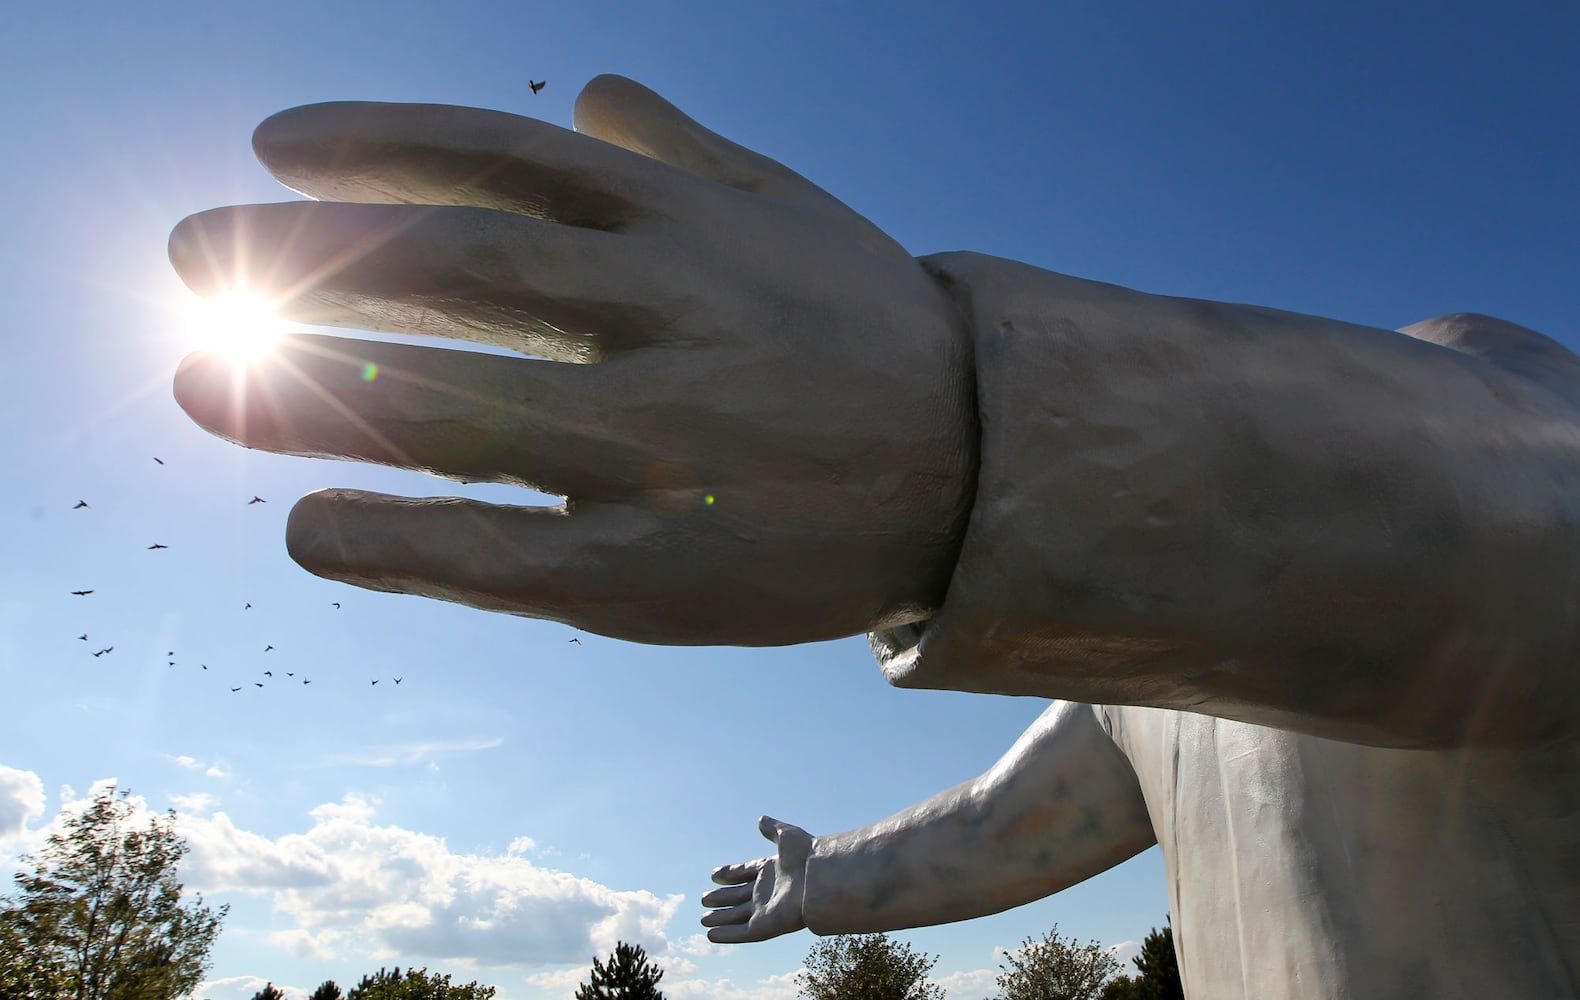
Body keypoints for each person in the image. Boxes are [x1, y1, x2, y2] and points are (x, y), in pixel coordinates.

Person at [169, 76, 1580, 999]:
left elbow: (1509, 515)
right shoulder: (1157, 679)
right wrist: (828, 877)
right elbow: (1019, 823)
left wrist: (977, 426)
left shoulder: (1515, 463)